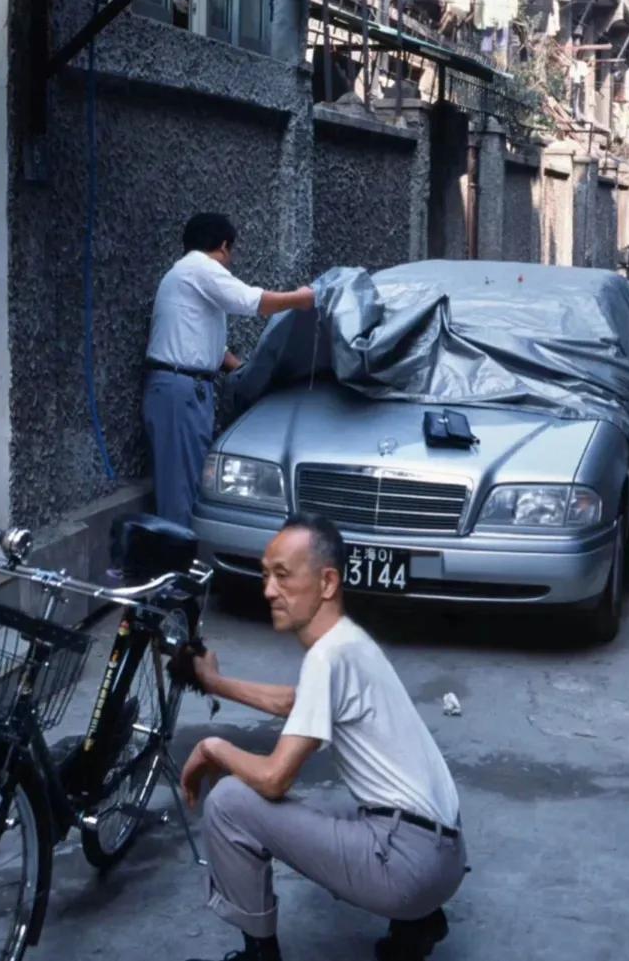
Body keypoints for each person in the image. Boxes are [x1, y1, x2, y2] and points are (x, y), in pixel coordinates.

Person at [177, 514, 467, 961]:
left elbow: (274, 779)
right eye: (265, 575)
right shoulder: (349, 642)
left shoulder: (326, 658)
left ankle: (260, 955)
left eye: (282, 575)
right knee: (329, 805)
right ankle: (417, 923)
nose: (268, 590)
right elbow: (293, 702)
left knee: (231, 801)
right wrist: (214, 683)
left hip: (407, 865)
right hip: (444, 857)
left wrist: (211, 747)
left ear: (327, 582)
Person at [143, 213, 315, 528]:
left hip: (185, 388)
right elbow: (252, 302)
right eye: (231, 253)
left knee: (188, 484)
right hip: (180, 390)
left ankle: (181, 552)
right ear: (224, 246)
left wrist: (243, 369)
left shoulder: (186, 277)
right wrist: (301, 299)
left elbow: (205, 343)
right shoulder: (199, 267)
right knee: (179, 492)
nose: (230, 262)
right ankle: (174, 557)